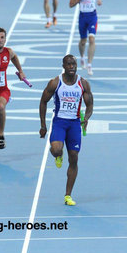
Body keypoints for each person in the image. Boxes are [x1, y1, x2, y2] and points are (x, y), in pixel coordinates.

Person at [39, 54, 93, 206]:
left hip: (74, 124)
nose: (72, 67)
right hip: (60, 122)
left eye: (74, 64)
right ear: (63, 66)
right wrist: (43, 125)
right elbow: (43, 102)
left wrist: (86, 118)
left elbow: (90, 105)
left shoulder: (83, 83)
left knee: (74, 158)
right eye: (69, 64)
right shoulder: (55, 83)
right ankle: (58, 155)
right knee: (56, 149)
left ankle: (68, 195)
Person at [69, 0, 102, 75]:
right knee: (83, 41)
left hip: (92, 16)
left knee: (92, 39)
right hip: (83, 16)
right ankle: (82, 57)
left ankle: (89, 64)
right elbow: (70, 4)